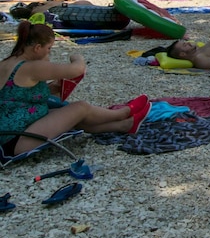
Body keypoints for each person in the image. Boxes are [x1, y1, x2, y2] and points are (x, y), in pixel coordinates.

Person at [1, 20, 151, 156]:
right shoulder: (31, 67)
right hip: (18, 138)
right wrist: (77, 57)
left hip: (9, 134)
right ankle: (122, 113)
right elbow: (76, 70)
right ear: (37, 48)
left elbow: (16, 95)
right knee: (80, 107)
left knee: (75, 117)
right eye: (49, 48)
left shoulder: (7, 63)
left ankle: (125, 125)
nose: (49, 52)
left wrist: (52, 88)